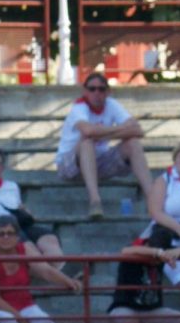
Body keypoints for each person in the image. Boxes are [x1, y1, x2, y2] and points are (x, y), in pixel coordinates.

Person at [55, 73, 153, 219]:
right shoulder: (79, 107)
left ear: (108, 91)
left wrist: (101, 134)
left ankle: (153, 199)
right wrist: (120, 128)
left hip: (98, 162)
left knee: (133, 143)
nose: (97, 93)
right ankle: (95, 201)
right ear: (85, 91)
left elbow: (138, 131)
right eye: (92, 89)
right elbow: (88, 131)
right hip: (69, 165)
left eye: (101, 89)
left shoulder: (111, 104)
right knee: (86, 143)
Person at [0, 146, 65, 265]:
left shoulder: (12, 186)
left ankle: (54, 270)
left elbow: (18, 207)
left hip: (18, 226)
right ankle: (56, 274)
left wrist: (26, 212)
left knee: (50, 239)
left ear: (2, 168)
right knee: (29, 249)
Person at [146, 142, 180, 267]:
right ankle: (176, 271)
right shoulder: (164, 180)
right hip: (169, 226)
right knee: (160, 237)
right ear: (175, 160)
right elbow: (155, 211)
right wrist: (178, 228)